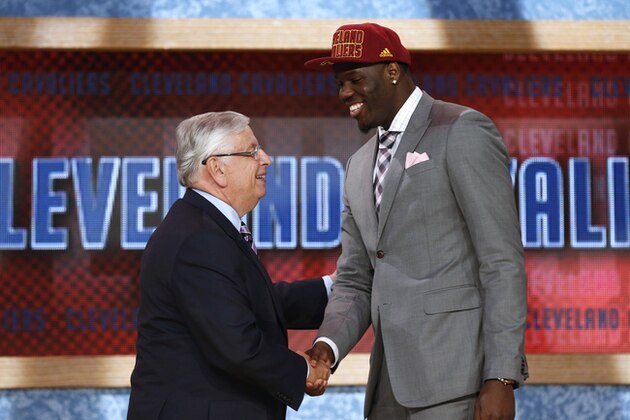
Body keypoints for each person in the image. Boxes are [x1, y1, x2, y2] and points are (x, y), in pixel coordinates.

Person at [303, 23, 528, 419]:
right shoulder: (357, 166)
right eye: (339, 84)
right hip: (387, 389)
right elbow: (356, 278)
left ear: (392, 72)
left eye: (354, 79)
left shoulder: (462, 129)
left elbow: (501, 261)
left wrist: (501, 377)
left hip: (459, 386)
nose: (344, 94)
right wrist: (328, 346)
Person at [127, 111, 332, 420]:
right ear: (218, 168)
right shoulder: (197, 238)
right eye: (252, 151)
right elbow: (237, 345)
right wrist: (304, 370)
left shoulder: (204, 227)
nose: (266, 159)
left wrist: (335, 289)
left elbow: (243, 304)